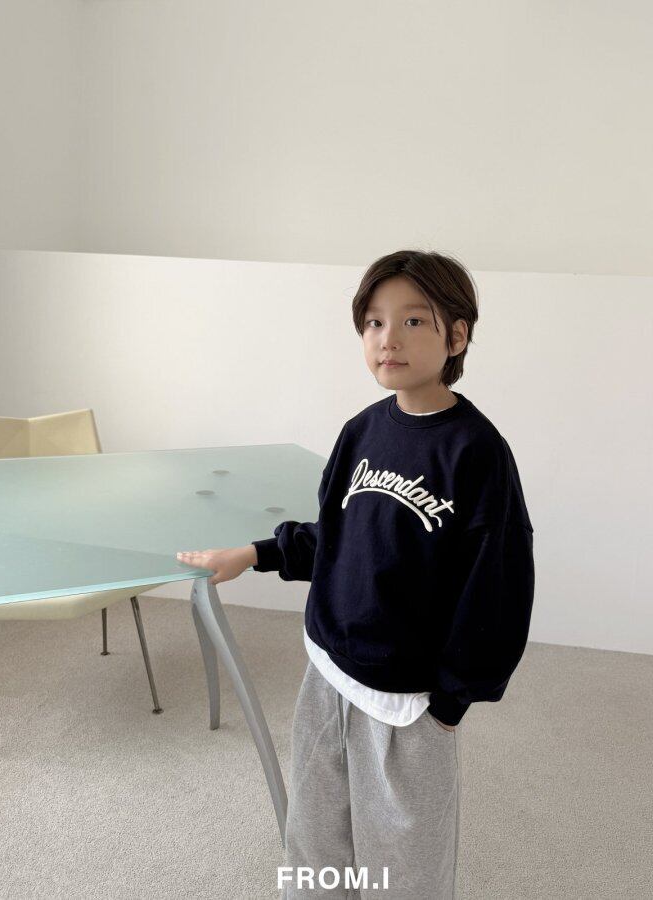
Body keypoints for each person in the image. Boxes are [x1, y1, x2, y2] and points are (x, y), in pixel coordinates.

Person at [176, 249, 535, 899]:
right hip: (327, 672)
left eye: (414, 321)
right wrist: (256, 552)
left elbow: (498, 584)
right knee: (317, 838)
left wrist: (451, 700)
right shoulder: (361, 432)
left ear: (457, 336)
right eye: (373, 322)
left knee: (403, 863)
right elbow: (340, 538)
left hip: (407, 703)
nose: (388, 338)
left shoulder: (477, 452)